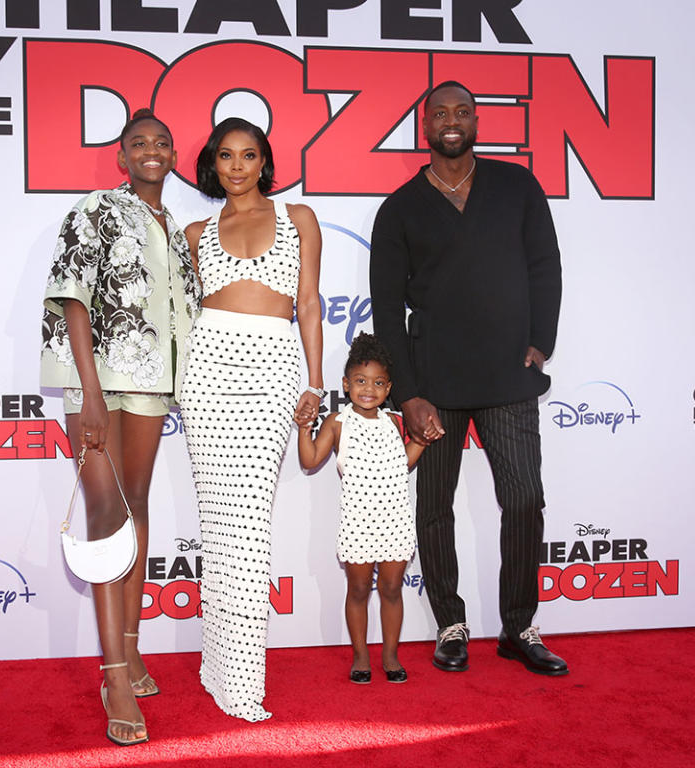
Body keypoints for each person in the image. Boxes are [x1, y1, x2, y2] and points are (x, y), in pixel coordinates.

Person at [369, 81, 568, 676]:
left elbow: (545, 265)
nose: (451, 122)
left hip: (509, 373)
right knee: (433, 507)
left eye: (461, 112)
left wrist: (542, 342)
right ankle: (450, 623)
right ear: (423, 126)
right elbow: (386, 310)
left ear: (477, 121)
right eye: (439, 114)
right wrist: (407, 392)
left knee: (525, 500)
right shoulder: (399, 209)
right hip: (434, 386)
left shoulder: (517, 186)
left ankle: (519, 627)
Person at [40, 109, 202, 745]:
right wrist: (86, 394)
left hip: (154, 386)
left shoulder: (176, 226)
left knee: (134, 509)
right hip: (101, 385)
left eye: (162, 142)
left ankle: (130, 651)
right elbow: (72, 299)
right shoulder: (96, 210)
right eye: (139, 144)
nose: (153, 151)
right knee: (107, 519)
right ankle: (112, 678)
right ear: (122, 157)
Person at [180, 117, 324, 721]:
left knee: (249, 526)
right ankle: (222, 667)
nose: (236, 166)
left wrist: (316, 382)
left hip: (271, 372)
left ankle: (237, 674)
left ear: (265, 161)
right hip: (208, 373)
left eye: (248, 155)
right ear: (213, 165)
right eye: (225, 157)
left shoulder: (300, 219)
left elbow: (310, 303)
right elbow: (184, 317)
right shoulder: (193, 231)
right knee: (220, 527)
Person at [297, 332, 424, 684]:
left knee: (391, 590)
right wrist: (304, 426)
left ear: (389, 388)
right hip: (358, 523)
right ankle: (361, 657)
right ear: (346, 383)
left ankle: (391, 656)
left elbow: (404, 465)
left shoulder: (395, 422)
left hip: (396, 521)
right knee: (357, 591)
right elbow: (309, 460)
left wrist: (422, 441)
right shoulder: (337, 423)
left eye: (379, 383)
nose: (369, 389)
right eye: (361, 381)